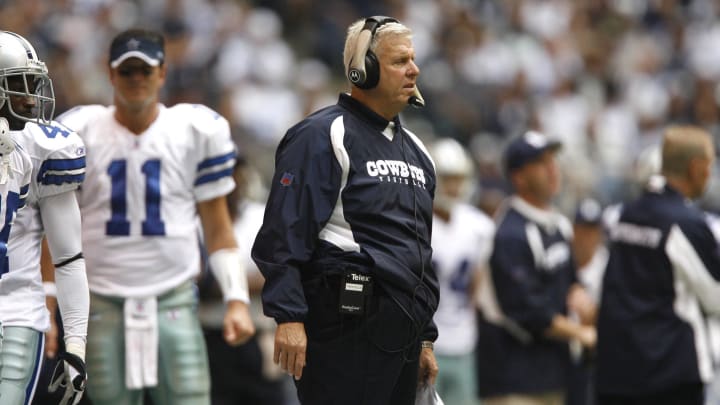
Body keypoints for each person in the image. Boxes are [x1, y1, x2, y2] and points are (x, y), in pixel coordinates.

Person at [56, 28, 255, 405]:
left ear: (162, 73)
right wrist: (52, 304)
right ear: (110, 74)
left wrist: (237, 299)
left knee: (189, 397)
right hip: (100, 299)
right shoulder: (78, 132)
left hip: (173, 296)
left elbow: (217, 227)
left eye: (144, 71)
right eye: (127, 71)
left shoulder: (193, 130)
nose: (136, 80)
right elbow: (54, 232)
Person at [251, 16, 439, 405]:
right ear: (363, 69)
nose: (414, 69)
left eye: (413, 59)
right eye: (400, 60)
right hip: (345, 326)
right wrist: (288, 316)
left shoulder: (419, 152)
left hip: (402, 334)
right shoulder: (321, 135)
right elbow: (284, 233)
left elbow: (419, 254)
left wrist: (425, 337)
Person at [596, 125, 720, 405]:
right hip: (670, 375)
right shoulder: (686, 222)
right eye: (709, 166)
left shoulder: (622, 214)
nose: (710, 175)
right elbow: (715, 297)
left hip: (617, 372)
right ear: (696, 167)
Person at [0, 30, 89, 405]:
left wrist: (76, 343)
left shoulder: (41, 149)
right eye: (18, 85)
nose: (30, 98)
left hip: (17, 311)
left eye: (32, 84)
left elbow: (68, 257)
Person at [476, 130, 596, 405]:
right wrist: (581, 333)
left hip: (553, 373)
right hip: (514, 379)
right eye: (541, 164)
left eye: (553, 161)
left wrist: (578, 294)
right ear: (518, 177)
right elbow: (528, 311)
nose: (553, 170)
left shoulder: (558, 224)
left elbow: (569, 282)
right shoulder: (509, 233)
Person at [198, 156, 291, 405]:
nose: (232, 183)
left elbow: (280, 272)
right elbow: (192, 279)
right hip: (209, 335)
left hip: (257, 334)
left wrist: (220, 285)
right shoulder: (194, 222)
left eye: (235, 175)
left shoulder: (260, 216)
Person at [428, 137, 494, 405]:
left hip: (464, 340)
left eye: (458, 178)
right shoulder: (418, 222)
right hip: (426, 343)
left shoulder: (478, 226)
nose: (453, 186)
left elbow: (478, 287)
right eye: (447, 178)